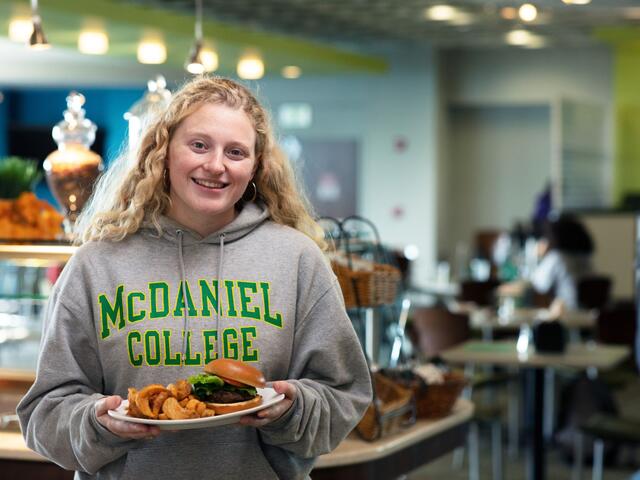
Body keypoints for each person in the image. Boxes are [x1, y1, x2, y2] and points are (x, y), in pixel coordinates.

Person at [17, 76, 372, 479]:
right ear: (163, 151)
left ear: (256, 166)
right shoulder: (97, 264)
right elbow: (43, 414)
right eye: (199, 145)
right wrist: (98, 424)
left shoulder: (297, 260)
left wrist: (293, 410)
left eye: (235, 152)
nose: (216, 165)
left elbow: (345, 395)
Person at [529, 213, 594, 310]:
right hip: (589, 313)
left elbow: (539, 284)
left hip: (567, 311)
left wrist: (539, 257)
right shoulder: (585, 257)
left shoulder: (557, 258)